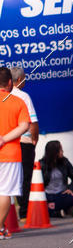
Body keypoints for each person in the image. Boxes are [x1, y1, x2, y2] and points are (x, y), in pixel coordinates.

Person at [0, 66, 31, 238]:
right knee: (4, 192)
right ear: (10, 82)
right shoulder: (17, 102)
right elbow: (25, 125)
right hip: (9, 154)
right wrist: (4, 139)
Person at [10, 66, 39, 219]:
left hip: (7, 142)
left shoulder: (5, 96)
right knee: (25, 176)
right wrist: (35, 139)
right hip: (24, 141)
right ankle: (24, 213)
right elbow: (33, 122)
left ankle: (9, 215)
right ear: (20, 79)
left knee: (9, 177)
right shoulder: (23, 97)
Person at [40, 140, 73, 217]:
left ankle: (51, 209)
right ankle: (57, 212)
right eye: (60, 150)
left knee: (70, 198)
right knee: (38, 201)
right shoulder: (42, 164)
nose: (62, 152)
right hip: (47, 194)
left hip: (61, 194)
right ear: (54, 152)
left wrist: (70, 189)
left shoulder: (65, 162)